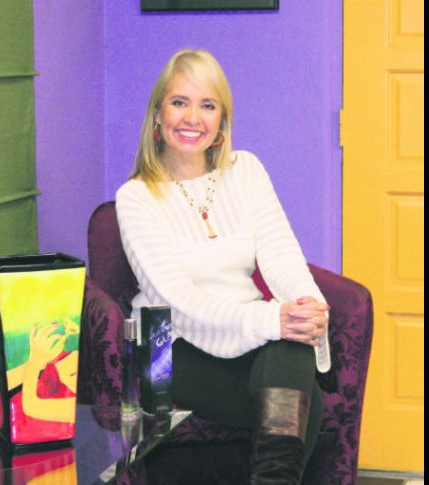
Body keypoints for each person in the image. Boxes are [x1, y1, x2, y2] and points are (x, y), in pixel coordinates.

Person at [115, 48, 331, 485]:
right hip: (171, 348)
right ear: (157, 115)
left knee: (293, 350)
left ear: (222, 121)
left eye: (208, 105)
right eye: (180, 102)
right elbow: (178, 300)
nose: (193, 118)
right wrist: (273, 319)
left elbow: (282, 255)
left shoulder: (245, 171)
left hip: (247, 335)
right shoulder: (135, 197)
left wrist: (308, 306)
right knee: (304, 400)